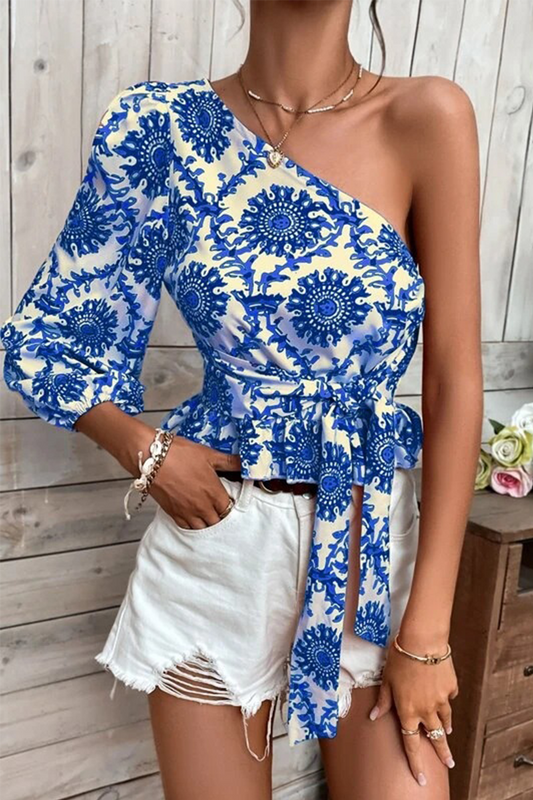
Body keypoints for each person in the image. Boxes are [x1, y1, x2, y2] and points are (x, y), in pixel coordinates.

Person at [0, 0, 483, 798]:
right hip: (218, 543)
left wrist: (426, 633)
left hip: (367, 552)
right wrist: (145, 452)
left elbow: (453, 381)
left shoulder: (425, 115)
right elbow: (48, 336)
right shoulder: (161, 129)